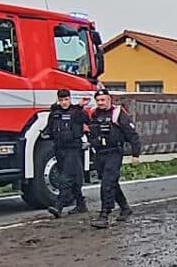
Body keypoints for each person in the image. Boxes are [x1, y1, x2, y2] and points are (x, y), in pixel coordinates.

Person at [86, 87, 141, 227]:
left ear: (109, 100)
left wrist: (136, 154)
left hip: (114, 152)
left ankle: (104, 214)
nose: (100, 102)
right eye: (98, 100)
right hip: (100, 153)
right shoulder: (93, 114)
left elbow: (132, 134)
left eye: (103, 100)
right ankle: (125, 208)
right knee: (112, 183)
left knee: (106, 184)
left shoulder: (118, 113)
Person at [44, 88, 89, 218]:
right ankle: (81, 204)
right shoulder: (55, 113)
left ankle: (59, 205)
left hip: (73, 148)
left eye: (66, 99)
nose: (64, 102)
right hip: (59, 149)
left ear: (70, 99)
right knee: (71, 177)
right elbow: (49, 128)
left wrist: (80, 107)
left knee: (66, 178)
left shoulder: (76, 112)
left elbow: (87, 120)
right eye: (62, 100)